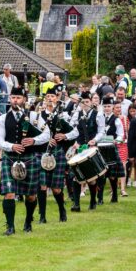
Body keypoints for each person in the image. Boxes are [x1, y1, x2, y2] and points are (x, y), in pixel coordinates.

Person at [0, 87, 50, 235]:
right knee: (9, 193)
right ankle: (10, 226)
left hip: (30, 159)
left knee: (31, 195)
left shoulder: (34, 117)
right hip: (10, 159)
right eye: (13, 97)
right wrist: (11, 146)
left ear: (24, 99)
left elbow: (46, 134)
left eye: (18, 98)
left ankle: (28, 220)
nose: (15, 100)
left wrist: (33, 140)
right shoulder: (3, 118)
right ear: (10, 99)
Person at [36, 87, 77, 223]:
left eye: (52, 96)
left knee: (56, 189)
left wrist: (64, 135)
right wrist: (44, 139)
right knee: (41, 185)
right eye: (47, 96)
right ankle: (42, 216)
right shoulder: (38, 116)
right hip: (42, 152)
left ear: (57, 99)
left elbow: (75, 133)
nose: (49, 99)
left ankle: (62, 210)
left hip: (57, 153)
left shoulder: (61, 117)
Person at [69, 92, 103, 211]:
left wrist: (94, 140)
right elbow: (72, 130)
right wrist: (74, 141)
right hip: (79, 148)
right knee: (76, 176)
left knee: (91, 178)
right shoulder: (76, 115)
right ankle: (76, 204)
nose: (85, 104)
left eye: (87, 102)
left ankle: (93, 200)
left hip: (91, 149)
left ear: (91, 102)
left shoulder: (98, 114)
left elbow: (101, 131)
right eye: (83, 102)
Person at [93, 96, 125, 204]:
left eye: (109, 106)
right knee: (100, 174)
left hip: (111, 148)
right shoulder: (99, 118)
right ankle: (100, 198)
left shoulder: (116, 120)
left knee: (112, 175)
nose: (107, 108)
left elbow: (121, 134)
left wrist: (117, 140)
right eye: (105, 106)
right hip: (100, 148)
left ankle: (115, 195)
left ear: (112, 107)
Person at [114, 101, 130, 197]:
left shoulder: (124, 118)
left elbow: (127, 131)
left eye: (120, 107)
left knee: (123, 165)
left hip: (123, 144)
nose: (119, 109)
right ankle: (114, 188)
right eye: (117, 107)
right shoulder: (110, 118)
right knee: (113, 167)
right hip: (111, 144)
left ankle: (123, 189)